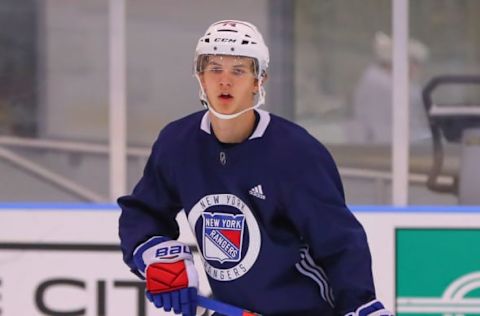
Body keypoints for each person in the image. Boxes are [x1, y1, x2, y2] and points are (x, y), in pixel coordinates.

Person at [118, 20, 392, 316]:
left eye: (238, 70)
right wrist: (158, 254)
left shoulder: (295, 153)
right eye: (214, 69)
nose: (225, 81)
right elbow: (144, 211)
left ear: (258, 80)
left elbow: (338, 239)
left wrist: (360, 303)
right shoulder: (178, 143)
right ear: (200, 76)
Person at [352, 31, 430, 144]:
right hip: (384, 146)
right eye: (414, 62)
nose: (417, 68)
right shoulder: (381, 84)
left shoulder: (388, 81)